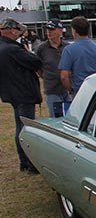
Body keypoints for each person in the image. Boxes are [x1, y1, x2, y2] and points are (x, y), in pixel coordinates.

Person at [0, 18, 44, 173]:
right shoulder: (13, 49)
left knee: (20, 126)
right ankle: (31, 163)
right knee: (26, 128)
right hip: (23, 93)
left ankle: (24, 161)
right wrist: (26, 50)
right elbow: (35, 61)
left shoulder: (3, 47)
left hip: (12, 93)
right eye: (18, 30)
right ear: (12, 31)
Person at [58, 16, 96, 96]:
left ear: (74, 31)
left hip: (80, 91)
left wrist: (71, 90)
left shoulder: (69, 50)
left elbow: (64, 76)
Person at [36, 19, 71, 117]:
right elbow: (38, 68)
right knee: (56, 118)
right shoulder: (41, 49)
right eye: (47, 29)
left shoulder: (67, 47)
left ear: (60, 31)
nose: (49, 32)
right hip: (52, 90)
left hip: (68, 89)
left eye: (52, 29)